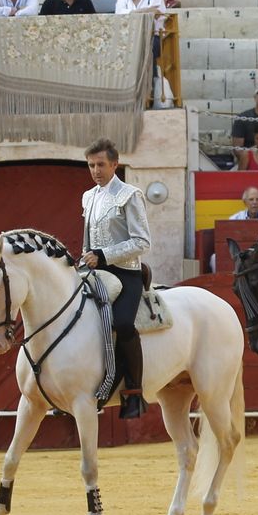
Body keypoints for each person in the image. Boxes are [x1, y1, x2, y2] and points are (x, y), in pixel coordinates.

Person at [81, 138, 152, 420]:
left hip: (126, 272)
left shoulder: (129, 194)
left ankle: (134, 393)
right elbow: (87, 240)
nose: (96, 170)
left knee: (122, 323)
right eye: (91, 165)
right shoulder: (88, 196)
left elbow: (142, 241)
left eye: (100, 164)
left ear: (114, 164)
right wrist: (85, 257)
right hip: (95, 270)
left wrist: (103, 254)